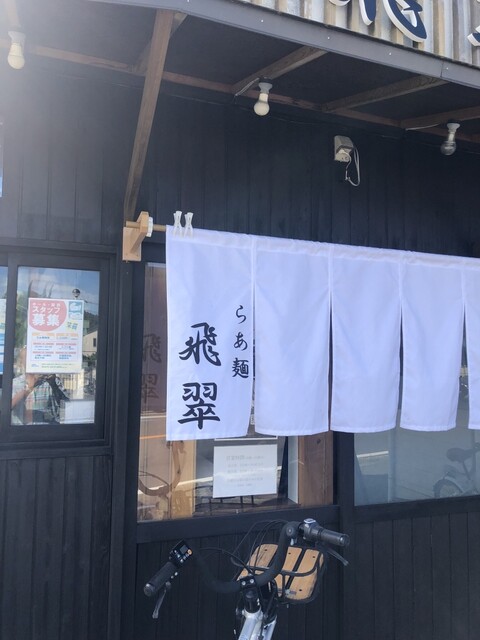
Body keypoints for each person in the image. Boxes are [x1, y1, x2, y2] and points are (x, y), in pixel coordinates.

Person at [11, 347, 69, 425]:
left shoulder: (51, 381)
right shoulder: (15, 383)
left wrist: (54, 385)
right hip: (22, 430)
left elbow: (66, 405)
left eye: (34, 357)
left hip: (47, 430)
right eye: (28, 358)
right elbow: (8, 407)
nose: (32, 361)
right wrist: (29, 389)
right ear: (21, 363)